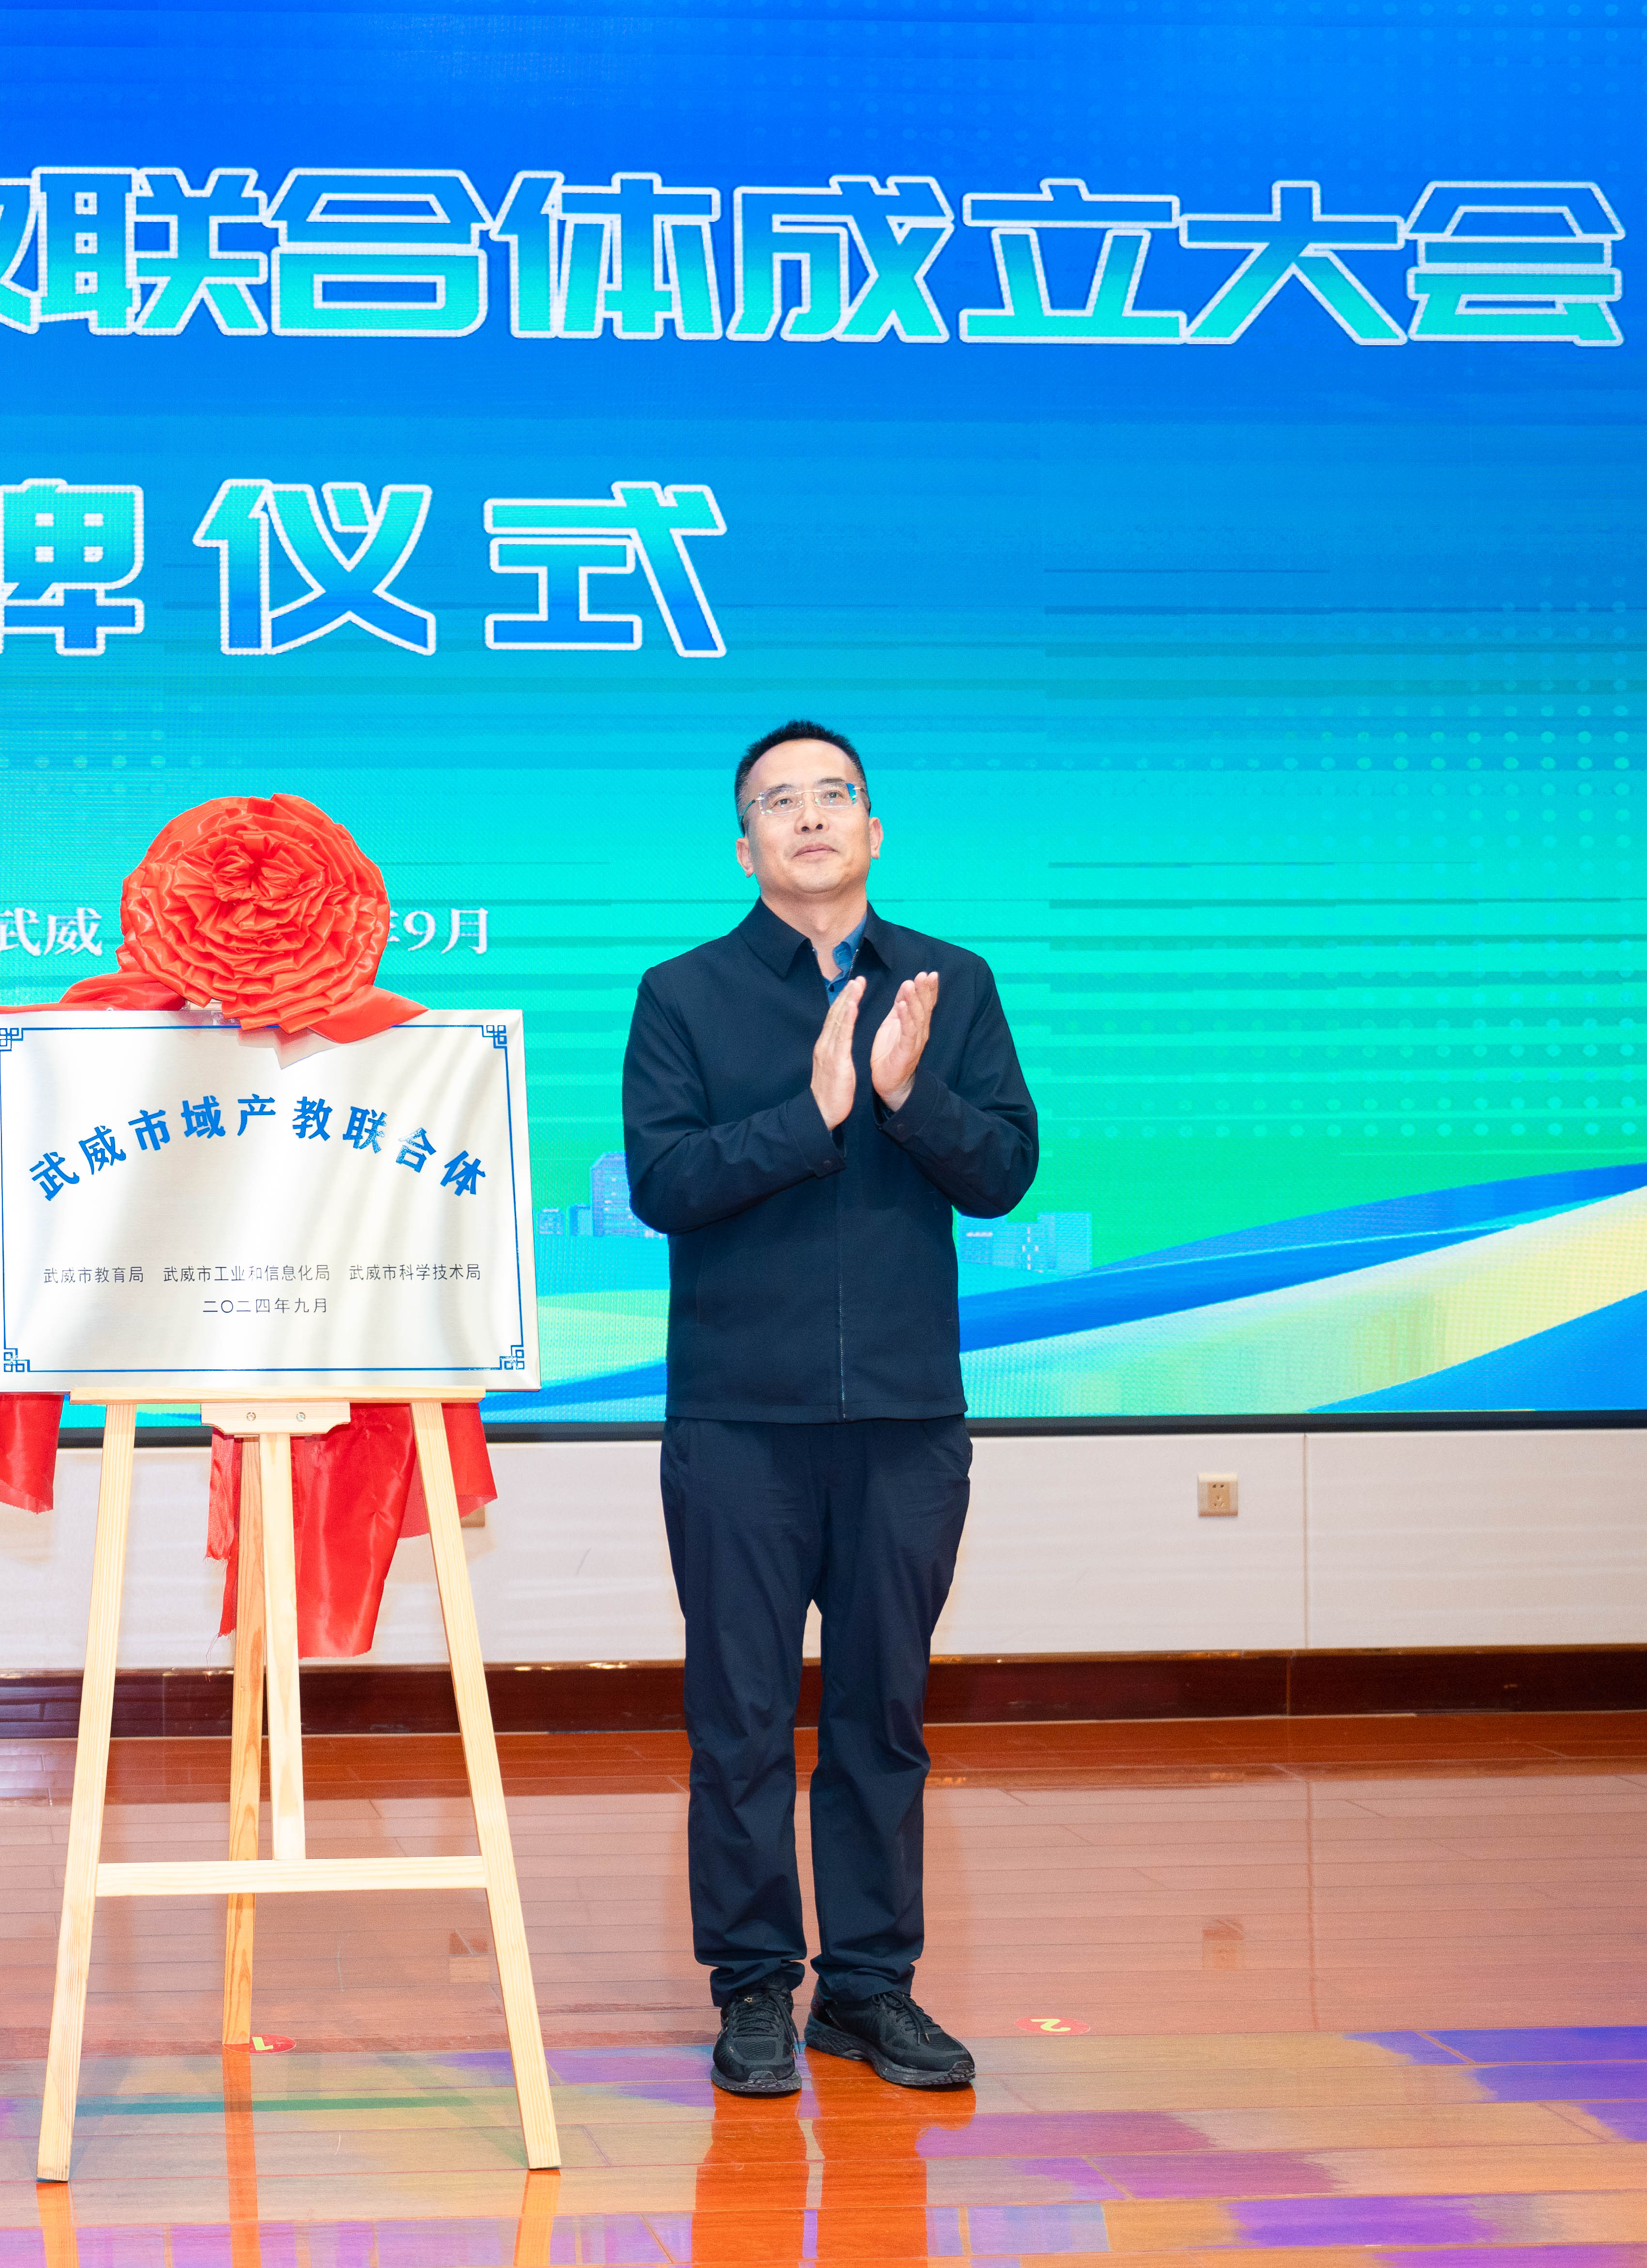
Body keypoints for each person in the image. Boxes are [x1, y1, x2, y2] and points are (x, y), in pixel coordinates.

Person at [620, 722, 1039, 2098]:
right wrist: (810, 1116)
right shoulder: (682, 995)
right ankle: (752, 1985)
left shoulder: (949, 985)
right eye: (778, 802)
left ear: (873, 830)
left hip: (906, 1419)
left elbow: (1005, 1173)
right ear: (744, 847)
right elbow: (663, 1186)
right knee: (740, 1717)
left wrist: (910, 1096)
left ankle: (868, 1989)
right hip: (739, 1421)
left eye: (834, 795)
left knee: (882, 1711)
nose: (809, 817)